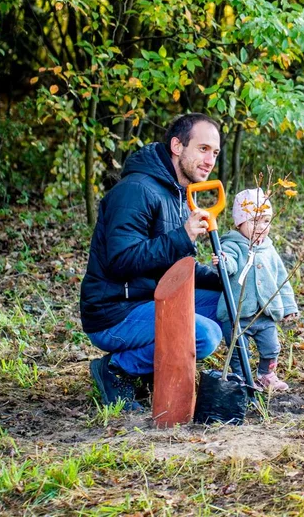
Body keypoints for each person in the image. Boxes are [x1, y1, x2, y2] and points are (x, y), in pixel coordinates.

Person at [80, 113, 226, 410]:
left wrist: (225, 278)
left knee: (228, 301)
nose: (210, 160)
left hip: (151, 298)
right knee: (205, 335)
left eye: (215, 152)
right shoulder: (137, 190)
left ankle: (158, 371)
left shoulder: (177, 193)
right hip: (115, 311)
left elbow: (175, 268)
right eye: (202, 149)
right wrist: (183, 236)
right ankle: (117, 369)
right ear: (176, 145)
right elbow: (121, 261)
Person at [213, 188, 299, 392]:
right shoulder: (232, 245)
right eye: (255, 221)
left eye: (266, 221)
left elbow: (281, 279)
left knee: (271, 347)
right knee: (238, 350)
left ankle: (266, 374)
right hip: (237, 314)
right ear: (239, 222)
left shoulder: (268, 248)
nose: (261, 227)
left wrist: (288, 307)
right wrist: (223, 262)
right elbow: (231, 265)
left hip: (264, 313)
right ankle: (242, 378)